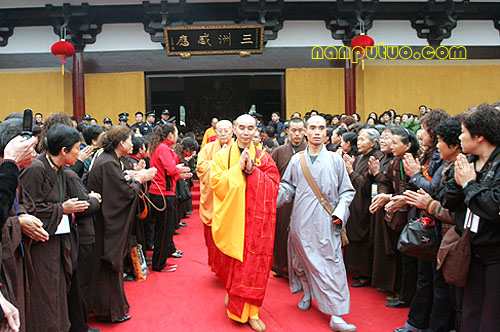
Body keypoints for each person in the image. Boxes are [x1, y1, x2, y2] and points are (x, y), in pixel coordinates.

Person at [277, 115, 356, 331]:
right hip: (300, 222)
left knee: (331, 266)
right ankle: (307, 291)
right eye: (312, 128)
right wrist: (269, 198)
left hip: (326, 222)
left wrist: (339, 213)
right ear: (305, 132)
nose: (317, 132)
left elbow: (347, 191)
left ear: (326, 132)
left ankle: (336, 314)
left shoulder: (335, 160)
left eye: (321, 128)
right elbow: (288, 187)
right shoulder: (296, 160)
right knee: (300, 262)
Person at [210, 114, 280, 332]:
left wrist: (252, 171)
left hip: (257, 223)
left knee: (255, 267)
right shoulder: (223, 156)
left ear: (256, 129)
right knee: (234, 264)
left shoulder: (263, 157)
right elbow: (216, 183)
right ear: (234, 129)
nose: (246, 132)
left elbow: (274, 184)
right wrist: (237, 170)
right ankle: (234, 296)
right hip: (235, 220)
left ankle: (252, 311)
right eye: (242, 128)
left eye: (251, 128)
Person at [435, 104, 500, 332]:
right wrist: (459, 179)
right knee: (469, 316)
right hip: (470, 249)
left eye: (463, 132)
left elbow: (493, 207)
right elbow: (446, 198)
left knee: (490, 319)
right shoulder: (468, 162)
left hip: (494, 254)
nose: (460, 137)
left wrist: (469, 185)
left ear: (479, 136)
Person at [20, 124, 90, 332]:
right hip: (40, 247)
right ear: (64, 151)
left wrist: (67, 206)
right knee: (44, 297)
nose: (80, 153)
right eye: (77, 148)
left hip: (57, 242)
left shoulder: (59, 169)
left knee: (57, 295)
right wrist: (62, 208)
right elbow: (26, 209)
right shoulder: (36, 168)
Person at [87, 125, 156, 323]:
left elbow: (118, 183)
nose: (131, 143)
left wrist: (132, 177)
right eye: (128, 140)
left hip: (104, 221)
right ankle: (108, 310)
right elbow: (121, 195)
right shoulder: (108, 162)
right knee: (107, 264)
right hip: (105, 223)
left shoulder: (110, 159)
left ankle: (110, 308)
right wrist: (139, 181)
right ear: (120, 143)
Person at [369, 128, 420, 309]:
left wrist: (390, 198)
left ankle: (406, 295)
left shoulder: (412, 161)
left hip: (410, 216)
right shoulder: (394, 161)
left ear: (408, 145)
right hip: (394, 213)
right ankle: (401, 291)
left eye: (395, 142)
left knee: (409, 258)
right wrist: (384, 195)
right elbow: (383, 181)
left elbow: (412, 189)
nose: (391, 145)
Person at [342, 128, 383, 288]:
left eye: (363, 140)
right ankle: (356, 270)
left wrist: (351, 171)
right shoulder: (359, 157)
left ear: (374, 142)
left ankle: (365, 274)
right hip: (355, 204)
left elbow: (364, 186)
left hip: (366, 204)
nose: (359, 143)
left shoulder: (375, 159)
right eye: (358, 139)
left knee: (364, 241)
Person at [148, 124, 192, 272]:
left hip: (159, 192)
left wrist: (179, 172)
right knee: (164, 230)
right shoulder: (164, 149)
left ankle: (160, 260)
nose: (177, 136)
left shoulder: (159, 148)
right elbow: (171, 169)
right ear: (170, 136)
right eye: (176, 133)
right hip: (163, 194)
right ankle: (159, 264)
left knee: (162, 229)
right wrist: (178, 170)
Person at [270, 117, 307, 277]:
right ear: (287, 131)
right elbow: (271, 174)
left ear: (305, 131)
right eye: (294, 130)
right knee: (281, 232)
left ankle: (301, 269)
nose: (297, 134)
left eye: (300, 130)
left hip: (304, 200)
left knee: (302, 235)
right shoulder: (279, 151)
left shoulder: (311, 151)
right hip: (283, 200)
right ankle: (280, 265)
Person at [197, 120, 234, 273]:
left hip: (232, 199)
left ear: (233, 132)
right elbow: (200, 168)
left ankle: (231, 268)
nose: (223, 133)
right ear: (215, 132)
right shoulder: (207, 148)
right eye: (220, 130)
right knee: (212, 237)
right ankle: (217, 267)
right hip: (212, 198)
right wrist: (218, 162)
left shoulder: (238, 148)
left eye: (226, 130)